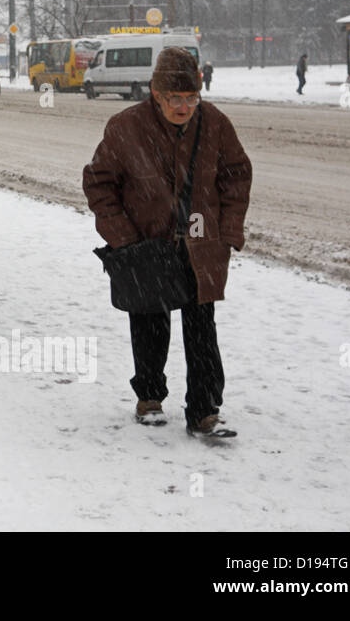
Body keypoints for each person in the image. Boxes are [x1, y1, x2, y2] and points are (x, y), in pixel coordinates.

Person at [82, 48, 252, 436]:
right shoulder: (126, 126)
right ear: (156, 94)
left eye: (191, 98)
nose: (184, 106)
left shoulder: (215, 124)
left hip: (201, 244)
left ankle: (204, 411)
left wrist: (227, 232)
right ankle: (150, 397)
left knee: (201, 327)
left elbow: (237, 175)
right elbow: (98, 182)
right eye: (175, 98)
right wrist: (122, 237)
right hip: (147, 243)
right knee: (149, 321)